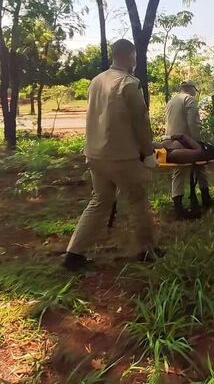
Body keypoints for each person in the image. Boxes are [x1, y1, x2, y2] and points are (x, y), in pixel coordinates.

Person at [62, 39, 160, 272]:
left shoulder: (96, 81)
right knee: (138, 200)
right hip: (122, 156)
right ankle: (147, 251)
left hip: (95, 154)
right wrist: (148, 153)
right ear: (130, 56)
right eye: (135, 57)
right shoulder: (128, 83)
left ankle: (73, 254)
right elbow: (141, 123)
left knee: (99, 201)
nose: (135, 61)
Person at [165, 81, 213, 220]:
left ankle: (202, 199)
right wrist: (198, 142)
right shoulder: (189, 99)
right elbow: (193, 123)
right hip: (186, 142)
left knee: (196, 169)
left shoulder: (172, 100)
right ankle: (182, 208)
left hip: (171, 142)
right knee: (183, 170)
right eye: (195, 91)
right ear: (192, 89)